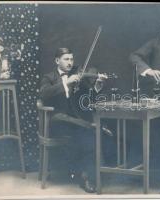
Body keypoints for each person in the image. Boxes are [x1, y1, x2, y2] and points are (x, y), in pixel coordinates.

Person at [39, 47, 108, 193]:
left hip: (75, 121)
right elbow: (44, 94)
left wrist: (96, 86)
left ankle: (86, 176)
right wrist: (66, 83)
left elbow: (88, 99)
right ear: (57, 61)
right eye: (66, 59)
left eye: (71, 59)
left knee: (86, 133)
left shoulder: (77, 77)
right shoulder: (49, 77)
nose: (70, 63)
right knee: (89, 128)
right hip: (58, 121)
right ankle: (87, 172)